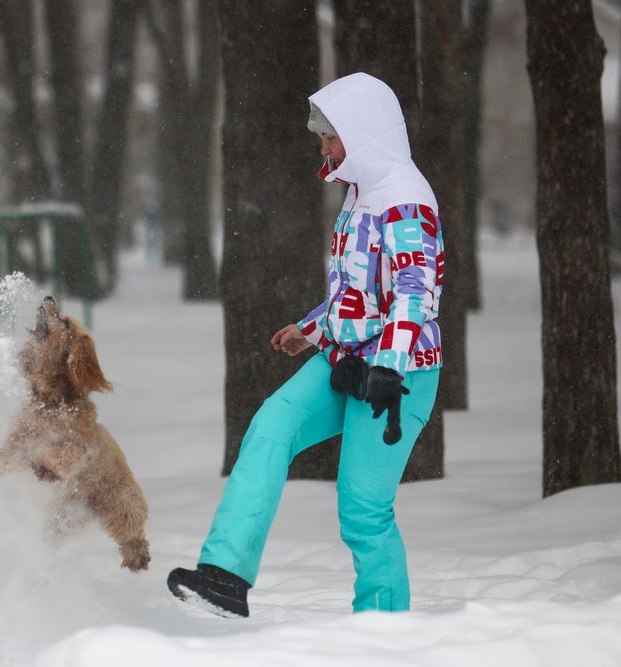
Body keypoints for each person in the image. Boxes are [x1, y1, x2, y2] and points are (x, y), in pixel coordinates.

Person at [167, 72, 445, 617]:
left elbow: (416, 293)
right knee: (271, 426)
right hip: (346, 361)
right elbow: (356, 291)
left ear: (364, 132)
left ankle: (384, 629)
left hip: (399, 375)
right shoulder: (360, 193)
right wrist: (312, 329)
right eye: (322, 139)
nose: (324, 150)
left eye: (330, 138)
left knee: (363, 509)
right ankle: (225, 576)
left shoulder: (407, 200)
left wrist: (388, 369)